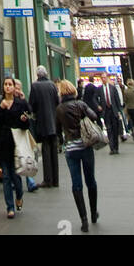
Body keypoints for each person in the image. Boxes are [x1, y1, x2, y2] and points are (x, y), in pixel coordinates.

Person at [56, 78, 99, 232]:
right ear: (73, 90)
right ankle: (94, 213)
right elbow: (94, 116)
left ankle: (84, 219)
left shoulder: (59, 109)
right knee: (90, 180)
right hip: (85, 146)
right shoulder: (80, 104)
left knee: (77, 184)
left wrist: (63, 141)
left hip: (71, 148)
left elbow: (57, 131)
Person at [0, 76, 31, 219]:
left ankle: (19, 195)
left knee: (15, 175)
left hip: (17, 143)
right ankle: (10, 207)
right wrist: (0, 108)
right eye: (5, 84)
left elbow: (28, 122)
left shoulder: (21, 103)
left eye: (10, 84)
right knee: (6, 176)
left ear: (14, 87)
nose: (7, 86)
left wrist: (24, 120)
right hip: (3, 141)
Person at [28, 65, 60, 187]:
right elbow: (57, 101)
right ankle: (55, 179)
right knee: (53, 149)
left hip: (42, 121)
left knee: (45, 149)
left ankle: (48, 179)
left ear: (37, 74)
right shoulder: (52, 84)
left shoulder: (35, 86)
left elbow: (32, 104)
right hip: (53, 120)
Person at [13, 78, 39, 192]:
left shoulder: (22, 100)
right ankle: (16, 182)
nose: (18, 91)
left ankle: (30, 181)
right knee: (16, 157)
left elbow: (29, 113)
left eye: (19, 88)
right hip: (13, 133)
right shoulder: (8, 100)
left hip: (23, 133)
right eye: (16, 88)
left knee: (27, 155)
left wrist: (24, 100)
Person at [105, 75, 125, 154]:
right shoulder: (100, 89)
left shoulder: (114, 89)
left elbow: (117, 100)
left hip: (114, 112)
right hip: (107, 112)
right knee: (109, 130)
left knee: (115, 129)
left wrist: (119, 111)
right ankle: (112, 148)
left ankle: (116, 147)